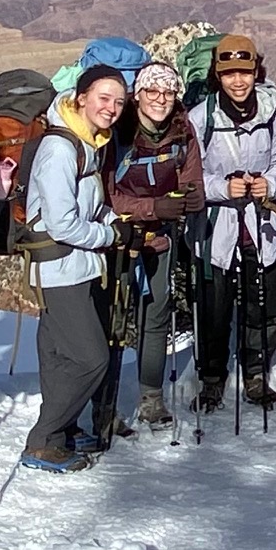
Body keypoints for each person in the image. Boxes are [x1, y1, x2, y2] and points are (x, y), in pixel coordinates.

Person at [18, 65, 137, 472]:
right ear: (81, 97)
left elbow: (90, 204)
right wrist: (110, 237)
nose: (112, 108)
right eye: (104, 98)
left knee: (56, 355)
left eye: (119, 102)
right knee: (91, 359)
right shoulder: (60, 149)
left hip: (75, 266)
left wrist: (112, 221)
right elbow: (62, 223)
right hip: (59, 269)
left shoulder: (88, 142)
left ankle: (61, 431)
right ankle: (42, 439)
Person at [192, 34, 276, 412]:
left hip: (261, 226)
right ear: (217, 76)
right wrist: (223, 187)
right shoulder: (200, 118)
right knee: (214, 308)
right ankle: (212, 381)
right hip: (217, 228)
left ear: (256, 73)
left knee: (261, 306)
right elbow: (190, 176)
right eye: (229, 72)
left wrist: (272, 183)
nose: (238, 81)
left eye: (245, 72)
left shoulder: (274, 114)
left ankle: (255, 376)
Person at [107, 61, 205, 431]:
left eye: (168, 92)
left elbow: (191, 177)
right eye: (152, 91)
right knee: (113, 320)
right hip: (117, 240)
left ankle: (151, 397)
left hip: (160, 239)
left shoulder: (182, 130)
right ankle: (106, 403)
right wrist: (151, 207)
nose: (161, 100)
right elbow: (107, 195)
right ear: (138, 94)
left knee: (156, 315)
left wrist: (192, 198)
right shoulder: (118, 133)